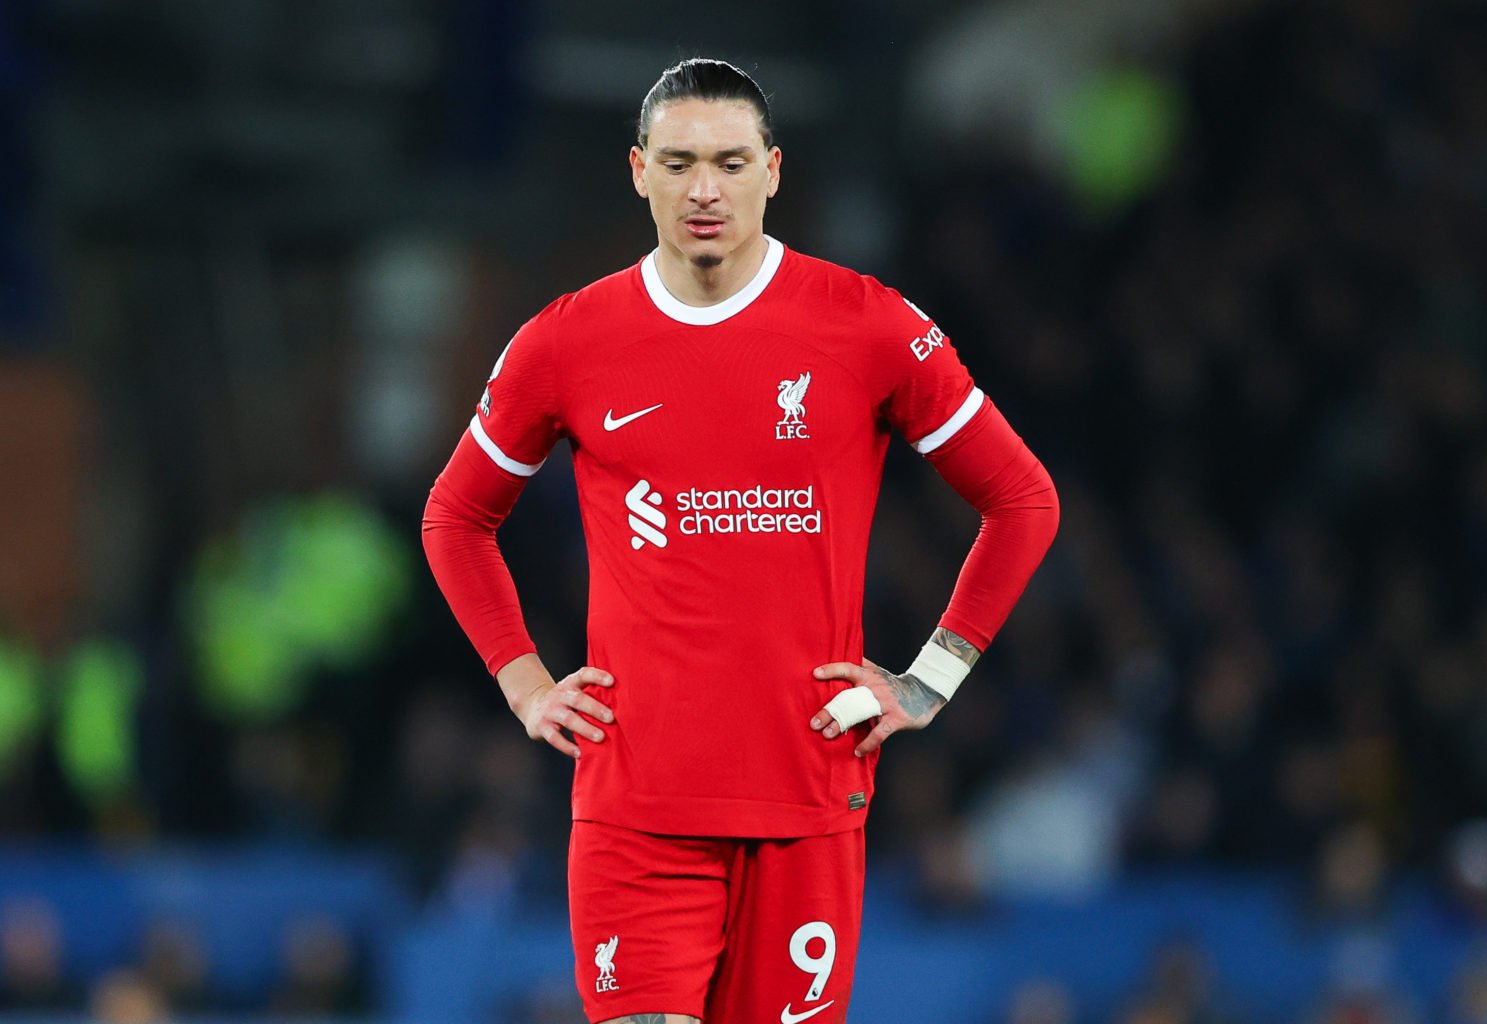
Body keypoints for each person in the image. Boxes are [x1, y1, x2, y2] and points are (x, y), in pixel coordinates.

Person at [422, 57, 1060, 1024]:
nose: (704, 190)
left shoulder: (867, 326)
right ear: (639, 171)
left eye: (728, 161)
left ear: (773, 168)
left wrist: (930, 679)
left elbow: (1022, 498)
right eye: (678, 164)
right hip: (638, 805)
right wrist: (522, 683)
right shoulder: (565, 343)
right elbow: (454, 517)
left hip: (804, 797)